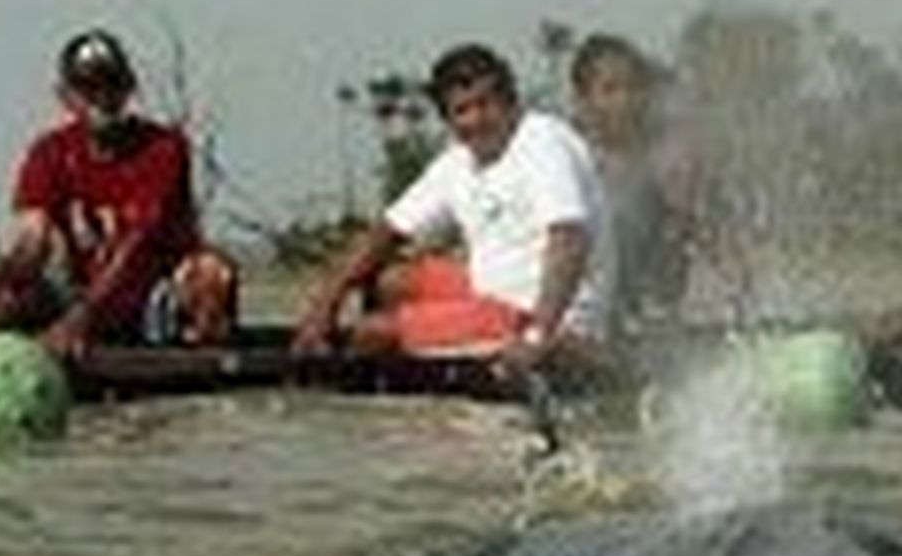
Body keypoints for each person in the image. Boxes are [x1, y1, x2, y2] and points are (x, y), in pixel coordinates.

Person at [292, 43, 606, 371]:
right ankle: (431, 341)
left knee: (372, 333)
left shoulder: (543, 142)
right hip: (492, 292)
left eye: (486, 104)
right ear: (448, 119)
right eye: (462, 111)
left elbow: (569, 238)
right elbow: (387, 231)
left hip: (538, 317)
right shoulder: (459, 162)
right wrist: (326, 303)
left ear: (511, 101)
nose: (477, 120)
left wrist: (538, 335)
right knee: (392, 281)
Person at [0, 29, 238, 357]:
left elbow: (136, 244)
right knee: (8, 294)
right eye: (88, 88)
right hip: (80, 290)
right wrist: (2, 275)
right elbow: (32, 236)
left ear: (128, 89)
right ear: (66, 96)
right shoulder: (50, 152)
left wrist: (84, 317)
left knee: (210, 274)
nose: (102, 98)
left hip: (150, 294)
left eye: (111, 85)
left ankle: (197, 349)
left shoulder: (164, 149)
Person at [569, 33, 702, 339]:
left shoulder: (663, 158)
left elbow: (697, 246)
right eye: (610, 90)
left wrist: (685, 213)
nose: (625, 100)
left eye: (634, 88)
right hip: (575, 315)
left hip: (644, 318)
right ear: (582, 99)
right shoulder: (565, 158)